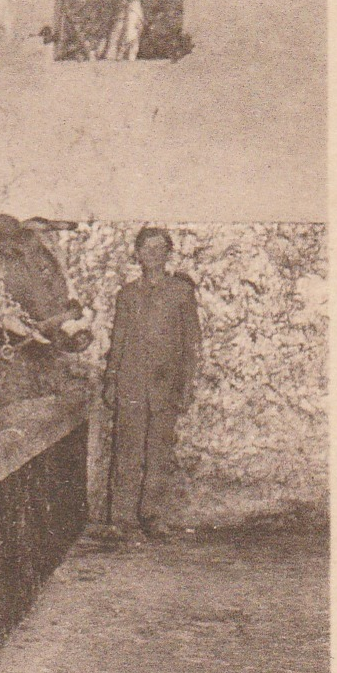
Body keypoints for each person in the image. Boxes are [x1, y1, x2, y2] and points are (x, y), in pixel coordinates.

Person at [100, 226, 201, 541]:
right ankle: (122, 518)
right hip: (132, 385)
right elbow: (118, 341)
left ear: (168, 253)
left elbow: (190, 346)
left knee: (158, 453)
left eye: (159, 249)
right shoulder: (127, 295)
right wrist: (112, 380)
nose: (153, 256)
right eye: (147, 250)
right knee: (127, 451)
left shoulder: (181, 294)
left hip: (165, 387)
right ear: (138, 255)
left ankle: (152, 516)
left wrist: (185, 388)